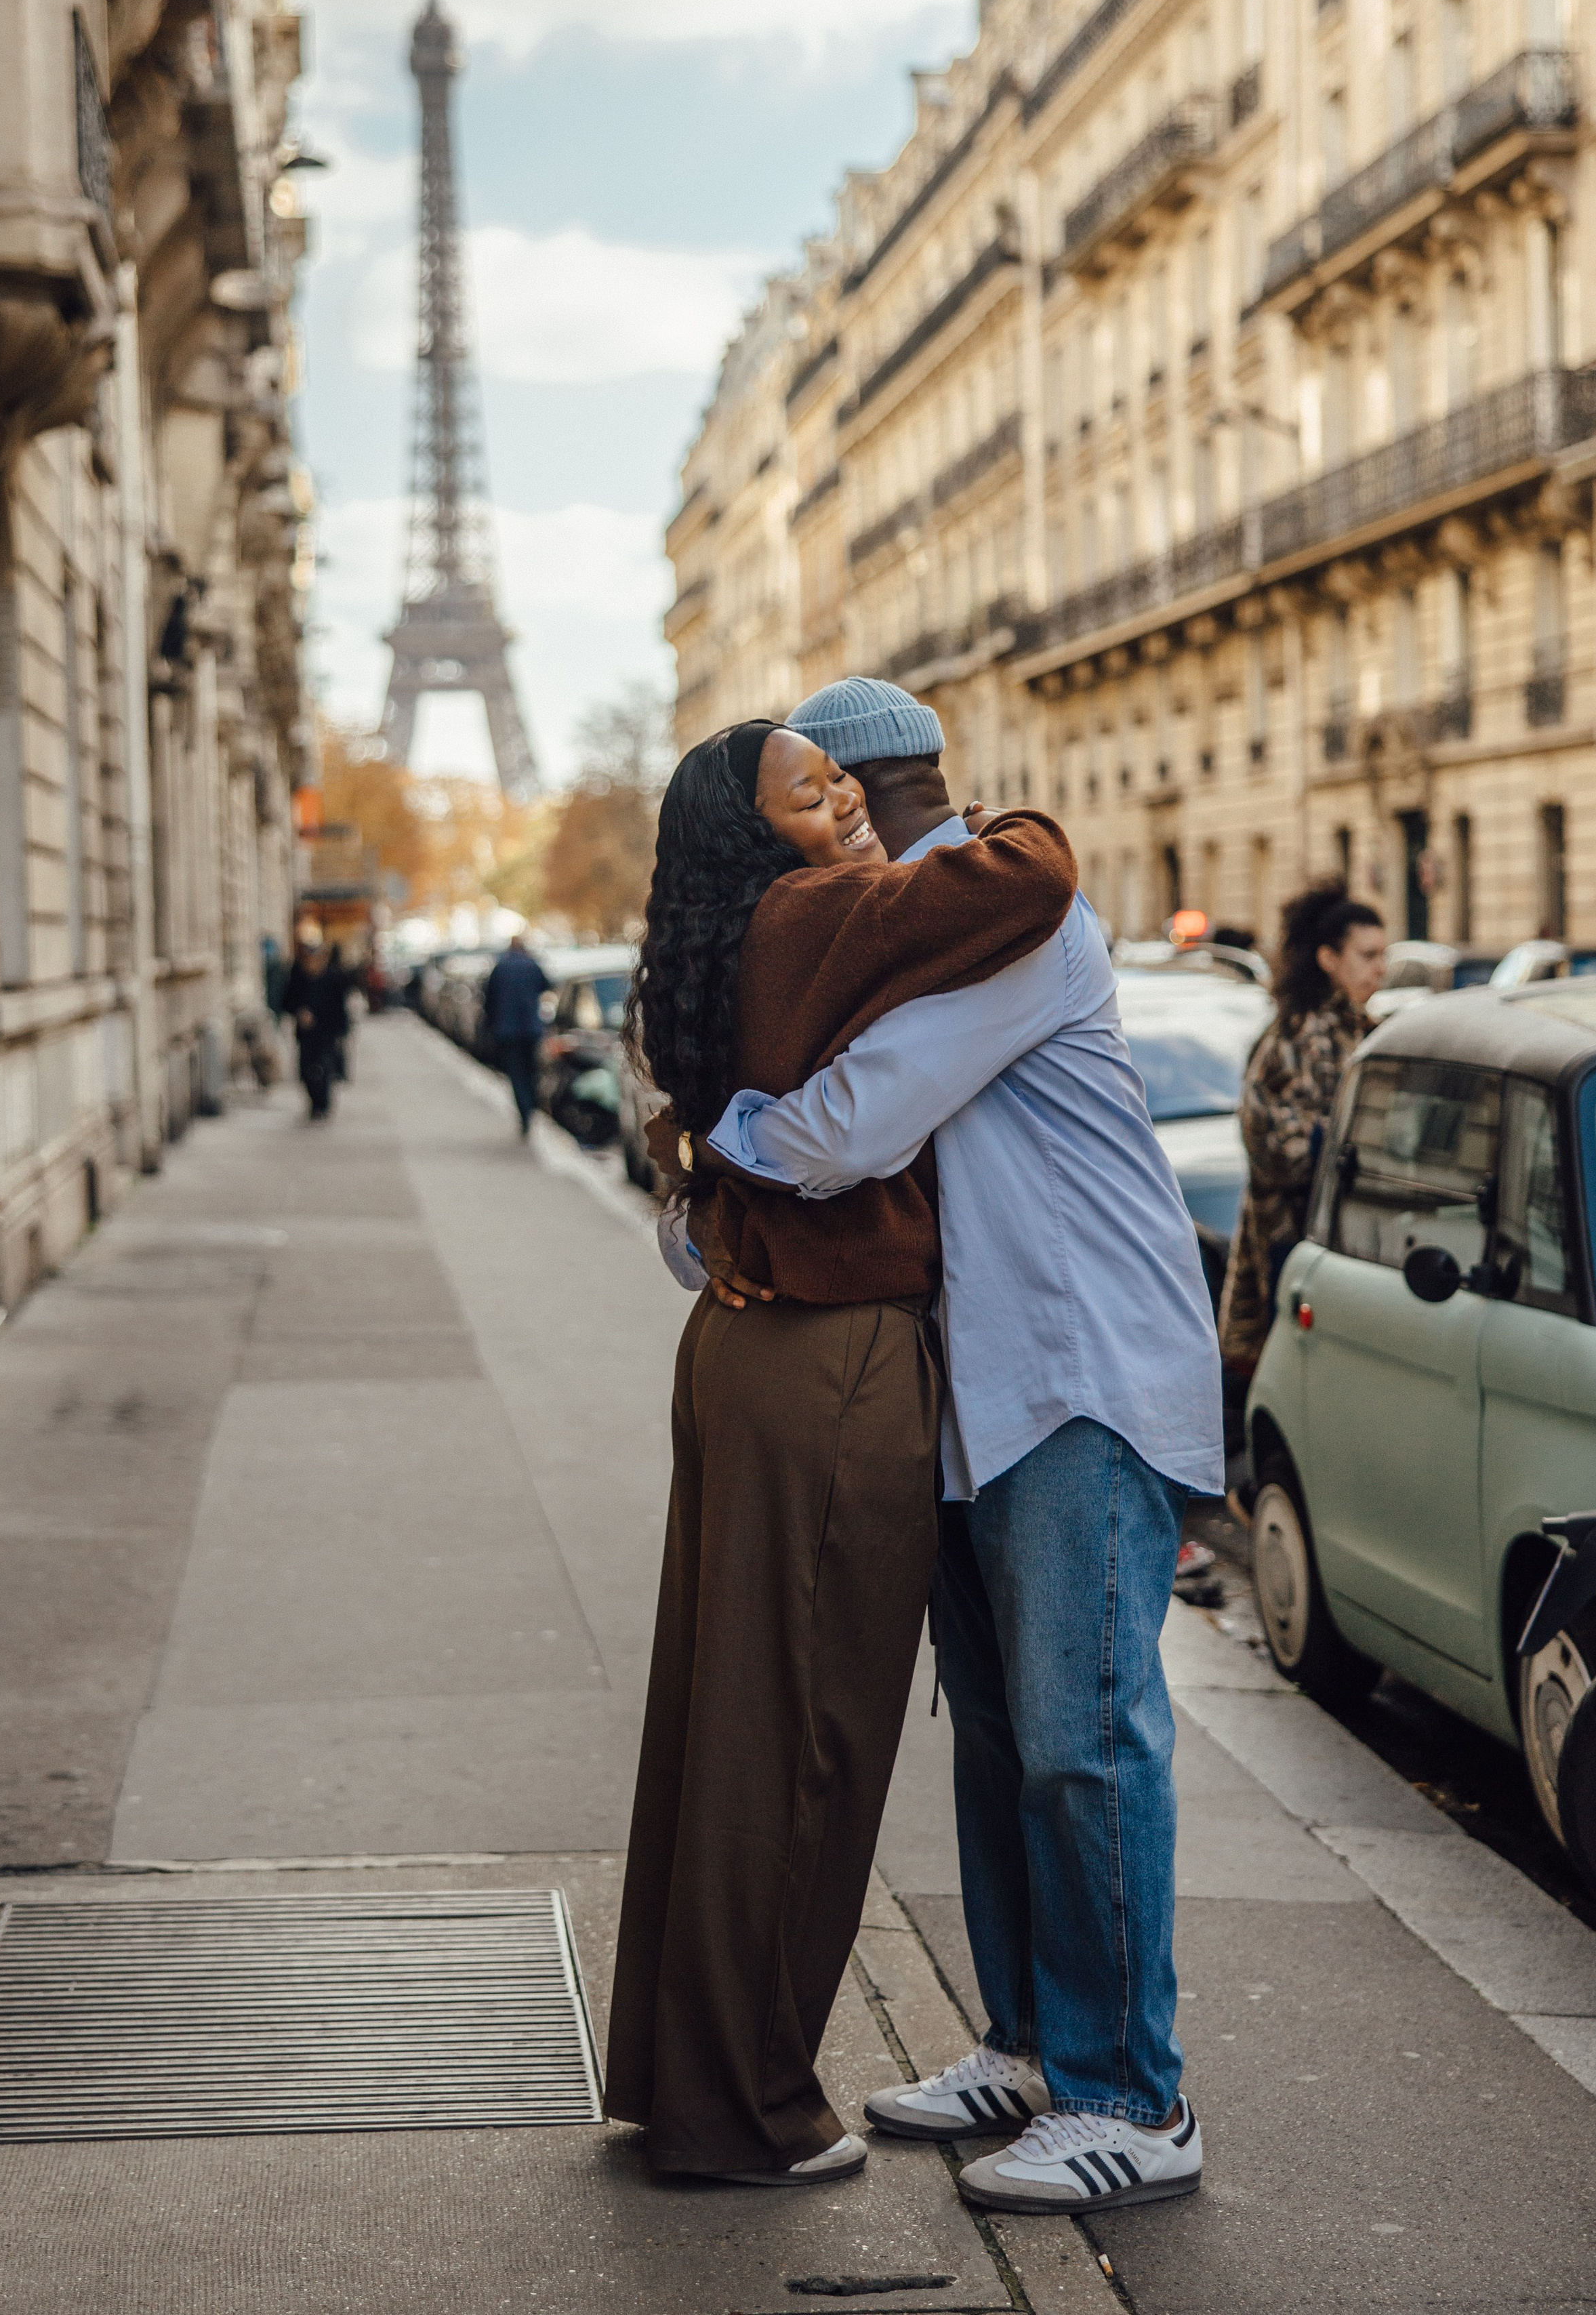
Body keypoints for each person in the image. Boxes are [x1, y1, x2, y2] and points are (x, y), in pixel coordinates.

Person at [700, 676, 1221, 2222]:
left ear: (858, 798)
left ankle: (1134, 2097)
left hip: (1074, 1378)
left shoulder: (1001, 920)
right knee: (999, 1739)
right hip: (971, 1391)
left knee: (1081, 1738)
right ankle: (1026, 2044)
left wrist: (702, 1140)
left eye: (810, 803)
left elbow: (849, 1124)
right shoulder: (905, 926)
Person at [605, 718, 1076, 2192]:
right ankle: (746, 2109)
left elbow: (684, 1139)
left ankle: (677, 2075)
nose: (850, 807)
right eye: (814, 794)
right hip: (834, 1358)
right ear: (764, 838)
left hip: (746, 1358)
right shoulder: (814, 915)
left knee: (717, 1728)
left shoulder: (712, 938)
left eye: (849, 781)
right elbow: (1033, 874)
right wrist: (967, 802)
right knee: (806, 1745)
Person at [1216, 878, 1387, 1380]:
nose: (1380, 968)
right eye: (1367, 955)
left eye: (1383, 955)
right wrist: (1344, 1149)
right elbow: (1274, 1145)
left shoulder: (1364, 1030)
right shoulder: (1298, 1037)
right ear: (1328, 959)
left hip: (1342, 1251)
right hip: (1293, 1252)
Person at [483, 933, 552, 1136]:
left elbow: (489, 1000)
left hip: (507, 1031)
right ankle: (531, 1107)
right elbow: (547, 986)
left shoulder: (500, 967)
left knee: (517, 1074)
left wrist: (490, 1026)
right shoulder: (531, 965)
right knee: (532, 1071)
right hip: (531, 1028)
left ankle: (525, 1111)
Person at [279, 930, 350, 1121]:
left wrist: (342, 1031)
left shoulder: (333, 977)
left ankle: (323, 1104)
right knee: (307, 1070)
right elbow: (286, 1001)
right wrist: (299, 1012)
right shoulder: (298, 977)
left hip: (327, 1032)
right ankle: (314, 1104)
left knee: (326, 1068)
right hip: (306, 1034)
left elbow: (340, 1007)